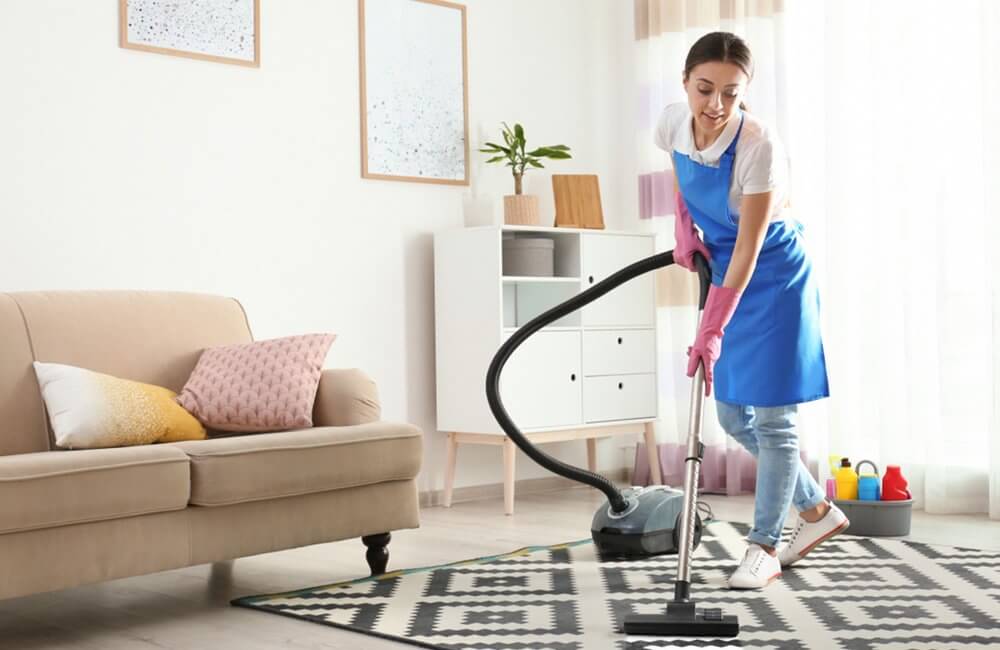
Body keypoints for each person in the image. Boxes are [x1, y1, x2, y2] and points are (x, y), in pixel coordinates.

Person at [654, 31, 849, 590]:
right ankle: (817, 511)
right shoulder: (671, 122)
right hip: (725, 273)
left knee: (773, 419)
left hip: (773, 277)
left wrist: (710, 328)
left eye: (731, 94)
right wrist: (681, 228)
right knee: (733, 416)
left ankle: (763, 547)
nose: (715, 105)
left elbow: (748, 247)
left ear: (747, 92)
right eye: (704, 89)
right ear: (686, 83)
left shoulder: (760, 144)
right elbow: (679, 173)